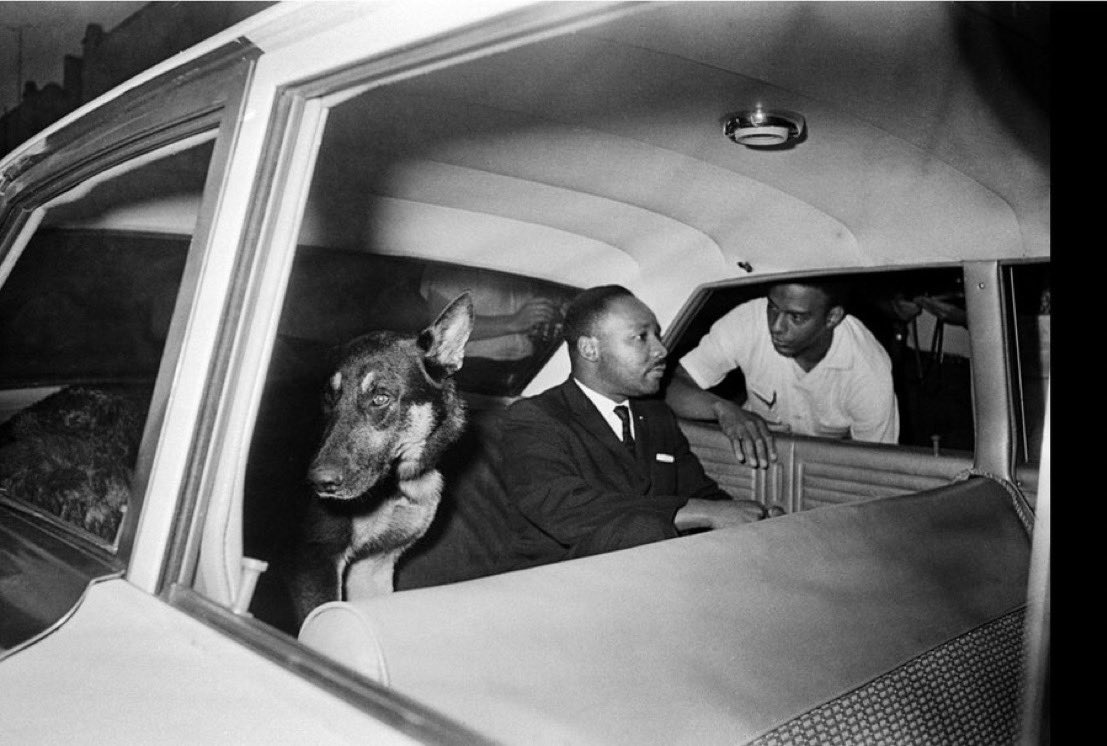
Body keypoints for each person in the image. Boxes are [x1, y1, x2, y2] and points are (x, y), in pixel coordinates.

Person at [499, 285, 767, 569]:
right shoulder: (535, 418)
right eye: (641, 337)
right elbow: (566, 510)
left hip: (651, 569)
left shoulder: (654, 414)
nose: (661, 350)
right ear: (590, 349)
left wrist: (752, 522)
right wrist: (696, 512)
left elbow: (700, 493)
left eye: (658, 335)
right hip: (565, 579)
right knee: (644, 531)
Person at [666, 281, 898, 469]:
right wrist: (722, 409)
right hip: (753, 451)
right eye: (773, 308)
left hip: (829, 468)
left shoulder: (868, 370)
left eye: (796, 317)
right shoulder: (747, 321)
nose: (776, 326)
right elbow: (672, 385)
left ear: (832, 317)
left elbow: (875, 467)